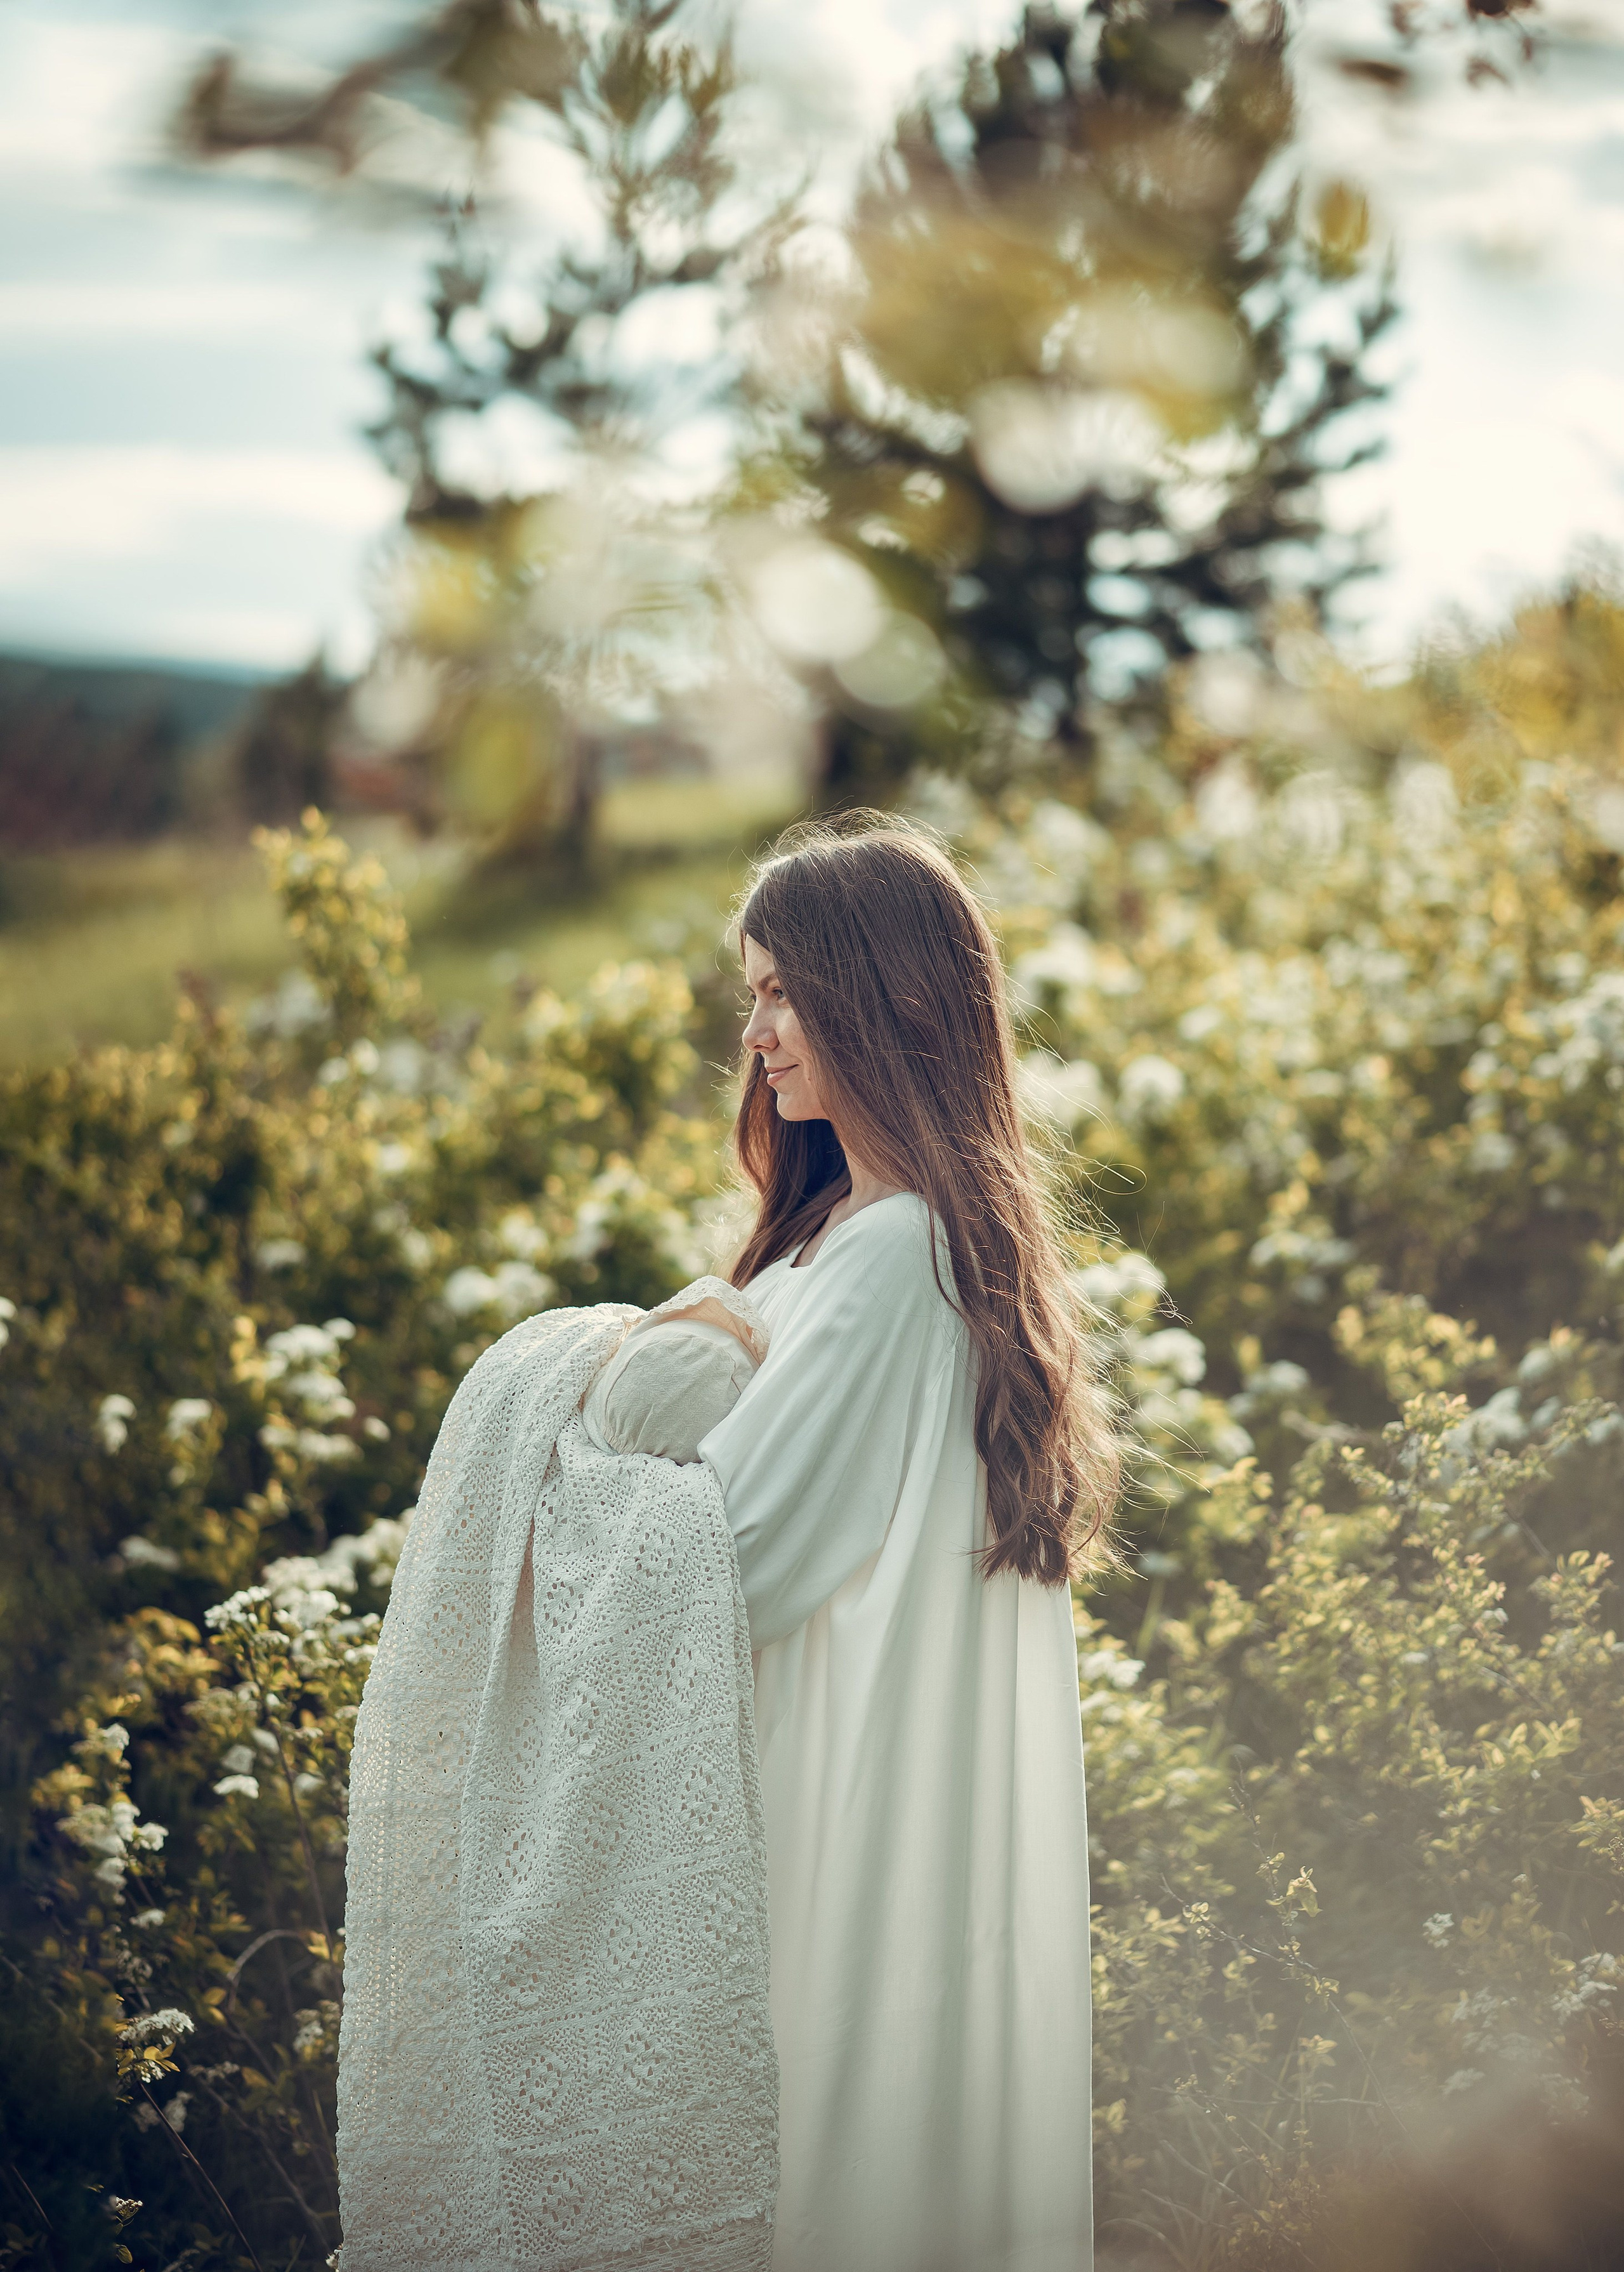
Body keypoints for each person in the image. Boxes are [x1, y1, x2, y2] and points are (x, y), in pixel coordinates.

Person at [696, 815, 1116, 2272]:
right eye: (749, 993)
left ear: (893, 1001)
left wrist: (552, 1435)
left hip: (852, 1798)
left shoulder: (887, 1258)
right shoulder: (878, 1239)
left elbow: (727, 1560)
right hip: (854, 1775)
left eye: (784, 992)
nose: (755, 1033)